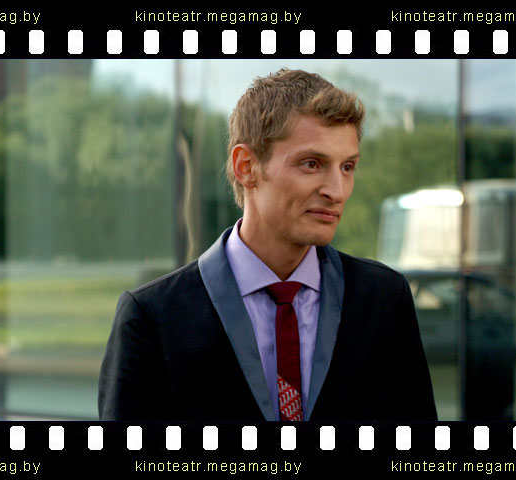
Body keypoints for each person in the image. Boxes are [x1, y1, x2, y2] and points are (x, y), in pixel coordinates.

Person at [98, 69, 437, 422]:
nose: (337, 191)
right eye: (312, 164)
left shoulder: (384, 299)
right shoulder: (152, 317)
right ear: (246, 167)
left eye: (348, 166)